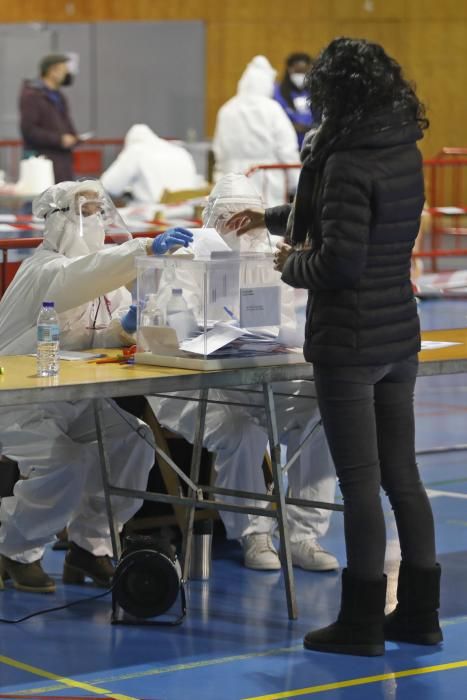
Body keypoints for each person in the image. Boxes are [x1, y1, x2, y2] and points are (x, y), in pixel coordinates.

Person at [227, 38, 442, 655]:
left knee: (361, 483)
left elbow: (340, 260)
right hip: (399, 332)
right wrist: (271, 217)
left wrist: (290, 263)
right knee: (404, 476)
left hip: (350, 339)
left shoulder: (345, 158)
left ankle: (361, 621)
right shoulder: (399, 145)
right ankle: (419, 615)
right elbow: (348, 219)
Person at [0, 180, 193, 593]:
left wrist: (125, 326)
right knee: (64, 462)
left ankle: (92, 545)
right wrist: (142, 249)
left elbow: (100, 332)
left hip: (72, 394)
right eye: (82, 212)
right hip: (18, 398)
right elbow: (78, 279)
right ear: (57, 219)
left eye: (97, 212)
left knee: (133, 440)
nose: (93, 221)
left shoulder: (103, 273)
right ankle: (15, 549)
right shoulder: (45, 269)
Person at [147, 173, 338, 572]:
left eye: (244, 219)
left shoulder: (270, 262)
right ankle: (253, 533)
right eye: (228, 218)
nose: (237, 229)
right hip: (190, 382)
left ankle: (303, 535)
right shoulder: (186, 259)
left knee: (324, 409)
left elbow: (280, 327)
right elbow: (169, 330)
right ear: (211, 219)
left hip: (255, 375)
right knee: (239, 427)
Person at [212, 56, 300, 208]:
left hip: (232, 185)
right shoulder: (272, 109)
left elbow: (219, 151)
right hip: (267, 186)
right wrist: (297, 184)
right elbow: (287, 150)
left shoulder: (226, 110)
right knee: (266, 227)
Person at [100, 124, 199, 205]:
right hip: (187, 213)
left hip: (153, 216)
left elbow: (109, 186)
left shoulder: (136, 150)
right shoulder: (180, 151)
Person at [19, 54, 79, 182]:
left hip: (62, 162)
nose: (67, 74)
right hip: (41, 164)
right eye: (64, 70)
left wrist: (74, 137)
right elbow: (29, 130)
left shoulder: (59, 97)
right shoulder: (32, 96)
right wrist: (59, 140)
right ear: (52, 71)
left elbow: (66, 124)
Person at [273, 53, 314, 148]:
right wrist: (291, 126)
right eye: (298, 71)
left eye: (304, 71)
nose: (301, 75)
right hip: (288, 144)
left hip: (312, 146)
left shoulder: (314, 91)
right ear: (289, 70)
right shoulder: (277, 92)